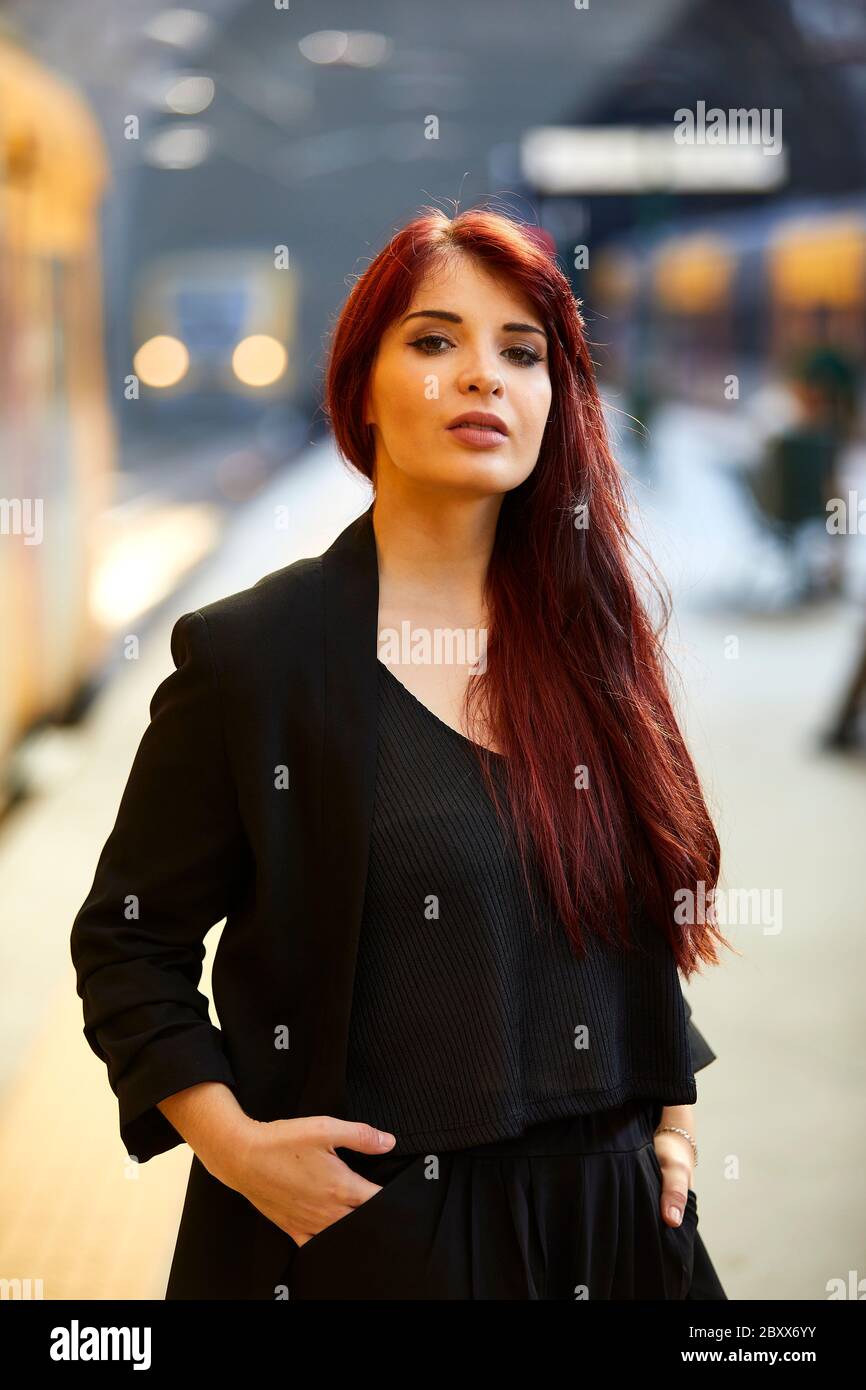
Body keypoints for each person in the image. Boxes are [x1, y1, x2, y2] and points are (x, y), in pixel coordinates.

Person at [70, 204, 733, 1300]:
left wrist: (670, 1110)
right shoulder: (256, 657)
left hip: (616, 1230)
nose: (483, 375)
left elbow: (624, 913)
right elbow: (127, 945)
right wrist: (233, 1143)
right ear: (360, 388)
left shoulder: (591, 638)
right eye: (434, 341)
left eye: (521, 352)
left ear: (553, 402)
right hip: (376, 1243)